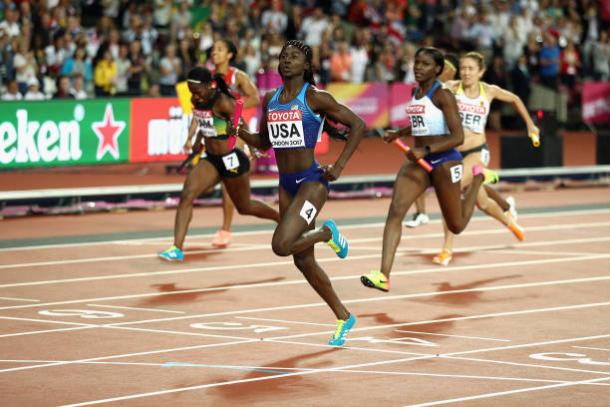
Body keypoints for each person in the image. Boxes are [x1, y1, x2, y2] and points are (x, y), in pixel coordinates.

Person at [237, 40, 365, 346]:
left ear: (306, 66)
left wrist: (340, 166)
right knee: (303, 261)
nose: (286, 61)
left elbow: (357, 125)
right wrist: (238, 131)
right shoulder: (271, 99)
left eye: (294, 57)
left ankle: (326, 233)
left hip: (312, 182)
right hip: (286, 185)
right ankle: (344, 316)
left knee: (282, 245)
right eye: (283, 56)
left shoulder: (314, 97)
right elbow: (263, 143)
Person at [360, 47, 492, 292]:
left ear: (438, 69)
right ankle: (383, 275)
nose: (418, 67)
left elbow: (458, 136)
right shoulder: (415, 91)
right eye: (416, 63)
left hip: (445, 161)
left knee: (456, 225)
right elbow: (420, 124)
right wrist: (398, 133)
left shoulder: (443, 95)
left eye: (425, 64)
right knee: (396, 211)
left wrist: (427, 149)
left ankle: (477, 179)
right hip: (418, 163)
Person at [158, 67, 280, 262]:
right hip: (212, 159)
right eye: (191, 92)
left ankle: (279, 218)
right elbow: (204, 122)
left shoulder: (222, 101)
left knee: (244, 206)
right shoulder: (196, 100)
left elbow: (242, 124)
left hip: (232, 158)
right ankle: (176, 248)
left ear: (208, 86)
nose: (195, 96)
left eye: (197, 91)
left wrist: (253, 147)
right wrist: (198, 140)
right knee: (187, 194)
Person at [432, 52, 538, 266]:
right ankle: (510, 221)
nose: (466, 72)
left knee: (450, 191)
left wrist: (530, 125)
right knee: (481, 202)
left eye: (471, 69)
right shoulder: (452, 87)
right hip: (455, 154)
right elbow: (429, 93)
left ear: (481, 71)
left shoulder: (488, 91)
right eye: (463, 68)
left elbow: (516, 99)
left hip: (478, 152)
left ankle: (446, 250)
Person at [209, 39, 262, 249]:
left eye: (220, 50)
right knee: (235, 191)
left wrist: (234, 108)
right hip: (214, 132)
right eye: (213, 50)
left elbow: (255, 98)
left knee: (227, 183)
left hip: (235, 132)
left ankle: (225, 230)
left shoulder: (237, 76)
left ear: (230, 55)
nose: (215, 53)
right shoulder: (210, 77)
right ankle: (277, 215)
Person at [405, 52, 459, 228]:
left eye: (450, 68)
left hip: (452, 146)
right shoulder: (422, 88)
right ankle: (421, 212)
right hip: (430, 144)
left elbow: (457, 132)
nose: (446, 71)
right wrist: (399, 133)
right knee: (416, 170)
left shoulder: (452, 90)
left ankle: (480, 180)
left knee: (457, 212)